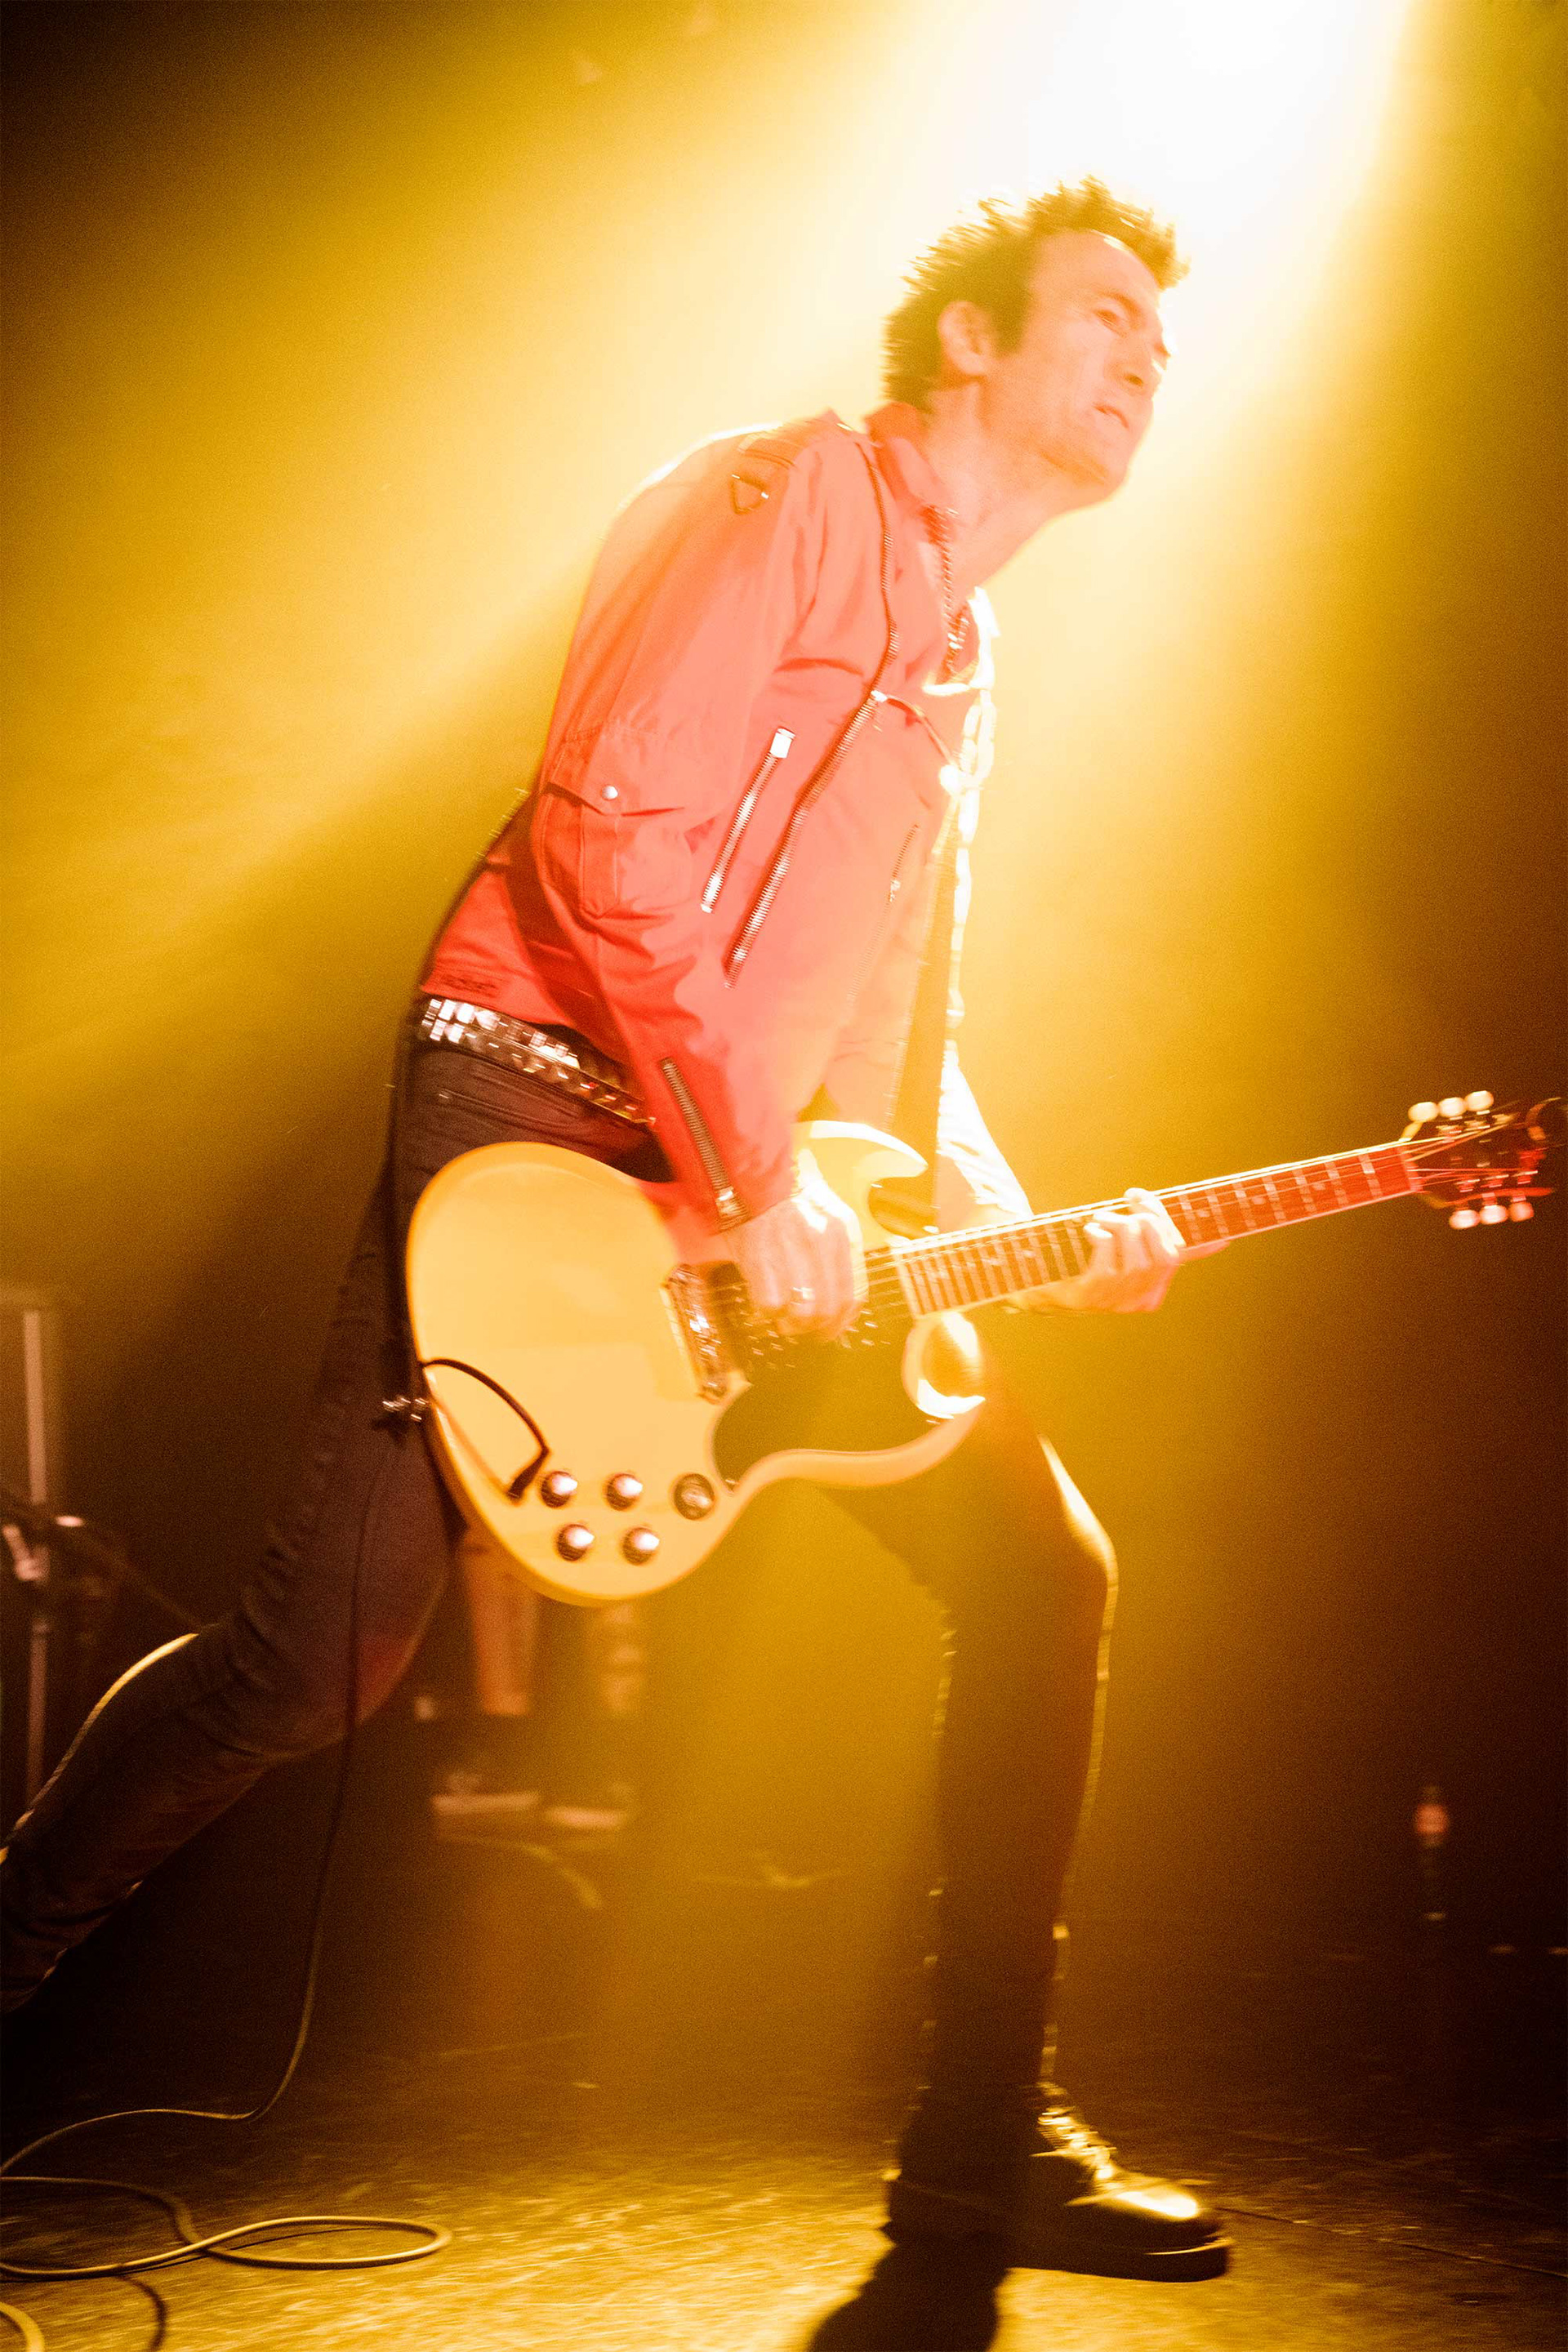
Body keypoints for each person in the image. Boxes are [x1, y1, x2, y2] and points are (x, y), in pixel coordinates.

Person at [2, 180, 1229, 2282]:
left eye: (1164, 341)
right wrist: (753, 1181)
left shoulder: (966, 655)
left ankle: (980, 2145)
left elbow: (884, 1036)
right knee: (312, 1665)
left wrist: (1027, 1224)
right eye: (1107, 315)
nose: (1148, 357)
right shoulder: (774, 499)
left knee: (1040, 1570)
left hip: (751, 1182)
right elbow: (605, 837)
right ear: (969, 340)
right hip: (528, 1107)